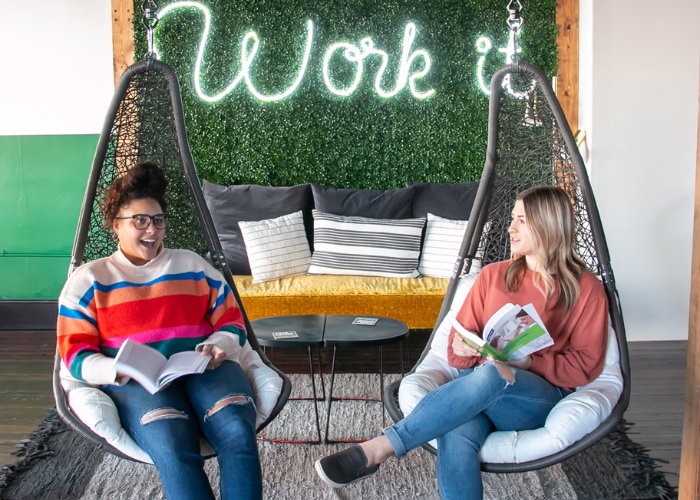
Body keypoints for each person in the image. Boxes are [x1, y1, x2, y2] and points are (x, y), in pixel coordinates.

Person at [314, 186, 609, 499]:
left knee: (494, 374)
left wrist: (528, 363)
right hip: (474, 389)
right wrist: (462, 347)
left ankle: (379, 448)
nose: (511, 228)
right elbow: (459, 342)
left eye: (521, 220)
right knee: (455, 430)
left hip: (531, 400)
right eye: (513, 219)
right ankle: (380, 449)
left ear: (548, 224)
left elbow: (586, 365)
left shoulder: (585, 288)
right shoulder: (492, 276)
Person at [57, 162, 262, 500]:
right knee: (171, 442)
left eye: (157, 220)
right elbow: (75, 355)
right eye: (139, 220)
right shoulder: (89, 281)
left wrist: (219, 344)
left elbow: (231, 321)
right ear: (115, 226)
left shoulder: (193, 266)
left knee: (237, 431)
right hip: (134, 382)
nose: (151, 230)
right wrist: (114, 368)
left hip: (204, 369)